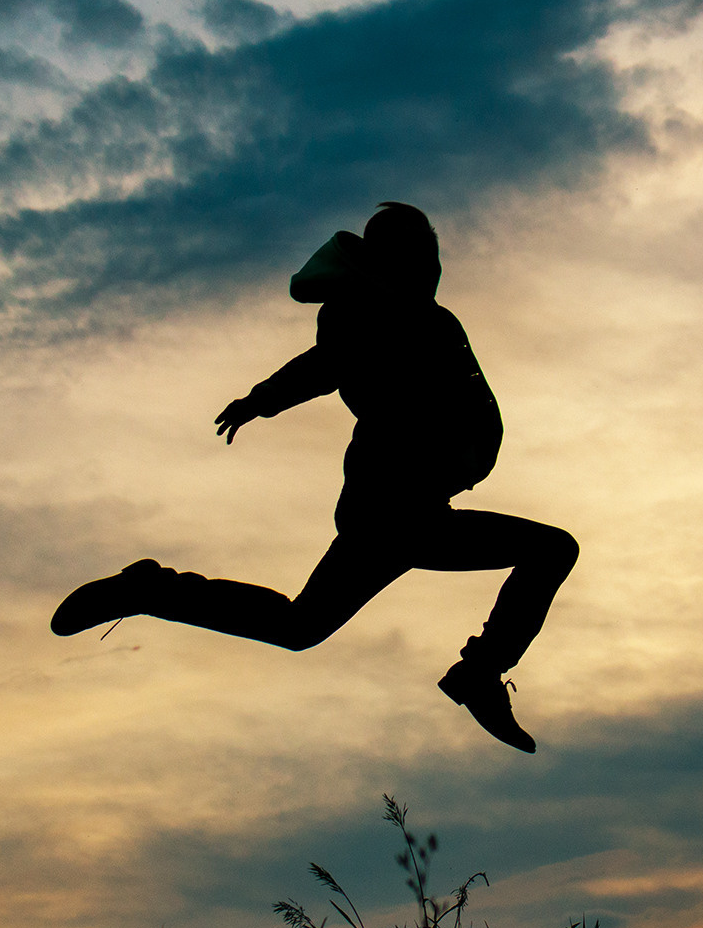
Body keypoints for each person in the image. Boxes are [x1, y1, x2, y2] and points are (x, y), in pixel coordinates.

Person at [50, 202, 577, 753]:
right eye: (424, 253)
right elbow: (326, 363)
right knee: (552, 549)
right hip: (395, 509)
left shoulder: (422, 317)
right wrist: (265, 398)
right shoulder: (379, 314)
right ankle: (479, 674)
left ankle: (150, 589)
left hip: (409, 512)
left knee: (298, 627)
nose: (433, 265)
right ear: (407, 258)